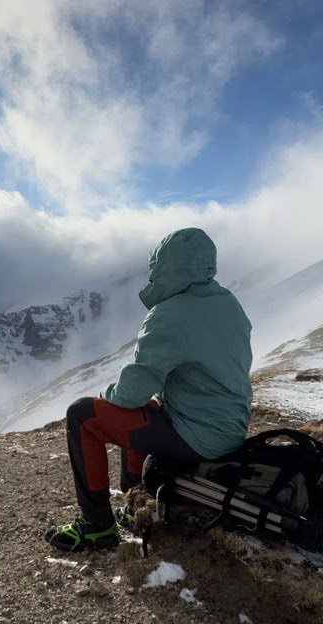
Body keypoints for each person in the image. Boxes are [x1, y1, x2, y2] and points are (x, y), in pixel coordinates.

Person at [45, 227, 253, 552]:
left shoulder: (170, 314)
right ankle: (135, 502)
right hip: (231, 429)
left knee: (83, 415)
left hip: (199, 437)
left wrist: (107, 397)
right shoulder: (228, 303)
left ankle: (97, 526)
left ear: (167, 268)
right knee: (146, 412)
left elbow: (132, 392)